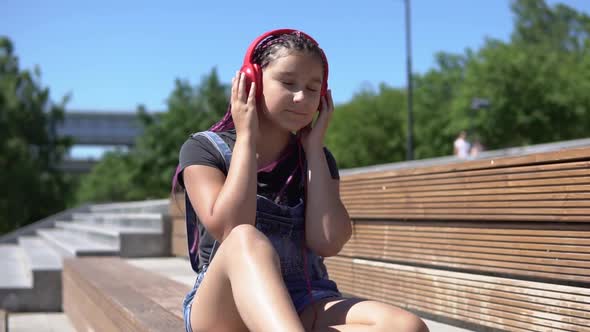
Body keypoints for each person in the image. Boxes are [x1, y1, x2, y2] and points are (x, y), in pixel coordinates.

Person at [173, 29, 429, 332]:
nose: (302, 98)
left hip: (304, 300)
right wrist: (246, 137)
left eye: (312, 88)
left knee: (406, 327)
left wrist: (314, 151)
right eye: (288, 83)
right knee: (245, 237)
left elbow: (327, 240)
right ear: (251, 80)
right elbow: (229, 227)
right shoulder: (204, 149)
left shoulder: (317, 159)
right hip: (223, 309)